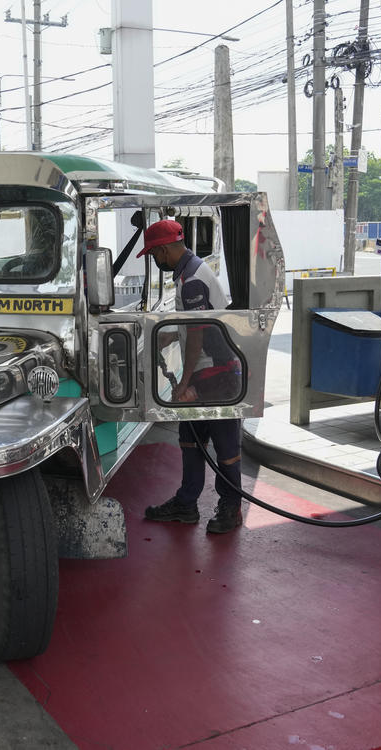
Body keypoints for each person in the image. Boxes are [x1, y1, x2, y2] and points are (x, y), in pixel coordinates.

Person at [137, 218, 244, 534]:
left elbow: (199, 334)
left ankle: (230, 508)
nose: (156, 261)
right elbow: (195, 326)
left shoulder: (192, 279)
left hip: (217, 376)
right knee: (190, 440)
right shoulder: (190, 271)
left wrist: (183, 384)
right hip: (207, 372)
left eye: (155, 254)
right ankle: (186, 503)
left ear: (166, 248)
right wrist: (172, 336)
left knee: (225, 448)